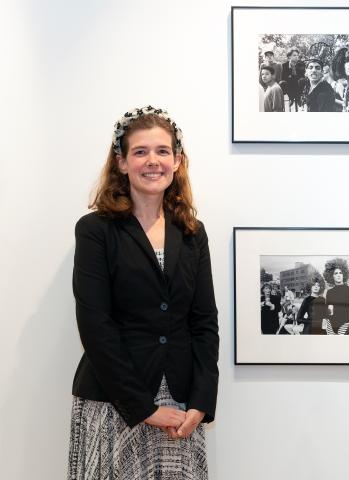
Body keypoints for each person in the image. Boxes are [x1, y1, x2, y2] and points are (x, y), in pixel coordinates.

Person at [68, 106, 219, 479]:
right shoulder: (95, 230)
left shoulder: (192, 232)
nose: (153, 161)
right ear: (121, 162)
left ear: (177, 161)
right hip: (115, 400)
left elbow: (204, 322)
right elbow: (95, 325)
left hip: (179, 408)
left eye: (163, 151)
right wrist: (143, 407)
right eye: (140, 152)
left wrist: (200, 402)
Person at [323, 258, 349, 335]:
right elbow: (328, 312)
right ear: (332, 276)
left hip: (344, 327)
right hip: (330, 328)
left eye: (340, 273)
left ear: (344, 274)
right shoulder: (329, 292)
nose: (338, 275)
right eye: (335, 273)